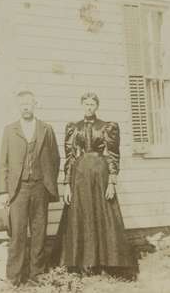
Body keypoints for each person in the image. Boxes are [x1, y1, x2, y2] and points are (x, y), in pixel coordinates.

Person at [58, 92, 138, 279]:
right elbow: (69, 157)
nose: (89, 107)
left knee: (103, 216)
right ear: (81, 105)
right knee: (81, 216)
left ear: (97, 106)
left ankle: (107, 261)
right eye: (86, 103)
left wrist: (111, 181)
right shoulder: (73, 128)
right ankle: (83, 263)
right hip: (79, 178)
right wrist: (67, 185)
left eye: (92, 104)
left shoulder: (106, 127)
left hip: (100, 176)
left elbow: (112, 154)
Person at [0, 88, 60, 286]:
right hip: (18, 189)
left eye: (29, 103)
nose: (26, 107)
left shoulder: (46, 129)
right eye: (22, 104)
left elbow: (55, 158)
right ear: (18, 107)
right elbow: (3, 162)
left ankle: (36, 275)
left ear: (35, 105)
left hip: (40, 187)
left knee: (39, 231)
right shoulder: (10, 130)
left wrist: (48, 180)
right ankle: (14, 278)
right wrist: (4, 190)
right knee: (17, 233)